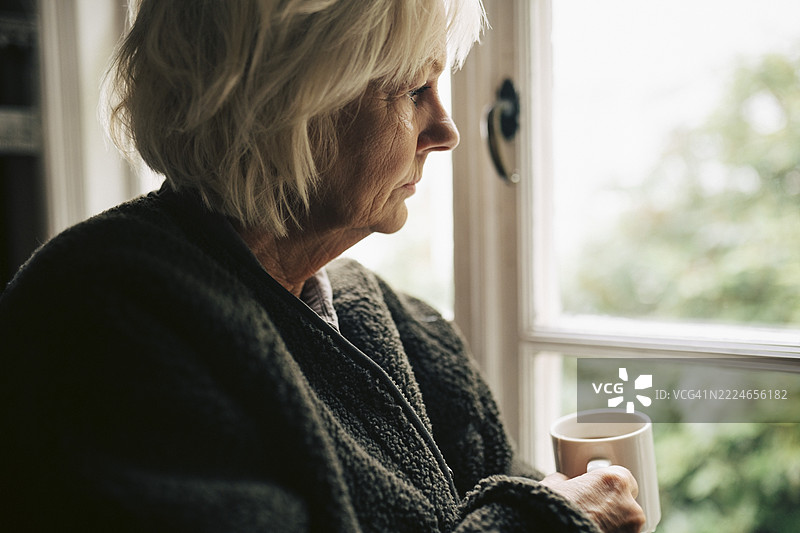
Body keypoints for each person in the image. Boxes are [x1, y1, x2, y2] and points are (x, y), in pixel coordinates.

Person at [0, 1, 645, 531]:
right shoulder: (98, 318)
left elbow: (520, 487)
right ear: (286, 107)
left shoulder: (395, 321)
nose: (444, 130)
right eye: (413, 90)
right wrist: (551, 522)